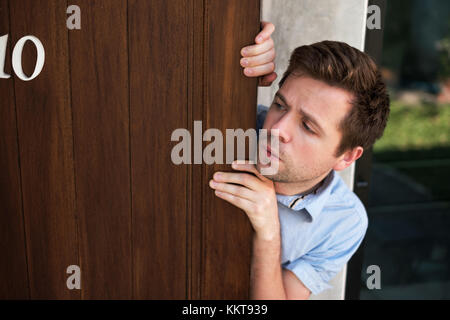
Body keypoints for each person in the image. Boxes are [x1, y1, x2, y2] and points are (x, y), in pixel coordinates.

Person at [208, 22, 390, 299]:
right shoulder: (234, 123)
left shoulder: (343, 222)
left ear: (346, 156)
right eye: (280, 105)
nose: (276, 129)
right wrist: (236, 57)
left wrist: (269, 233)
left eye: (307, 126)